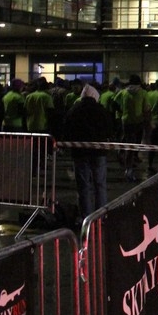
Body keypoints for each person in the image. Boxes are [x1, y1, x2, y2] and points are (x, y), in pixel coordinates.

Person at [62, 84, 114, 219]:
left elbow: (66, 128)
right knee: (100, 184)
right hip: (98, 151)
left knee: (83, 185)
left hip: (79, 152)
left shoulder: (74, 109)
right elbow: (109, 128)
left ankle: (86, 216)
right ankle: (101, 215)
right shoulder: (101, 110)